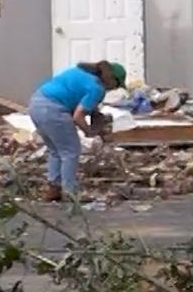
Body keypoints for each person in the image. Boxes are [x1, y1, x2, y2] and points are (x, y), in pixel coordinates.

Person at [27, 59, 126, 202]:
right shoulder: (97, 88)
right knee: (70, 151)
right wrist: (88, 131)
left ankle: (54, 188)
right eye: (116, 85)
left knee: (56, 150)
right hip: (54, 109)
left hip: (36, 104)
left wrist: (95, 114)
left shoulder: (79, 72)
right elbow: (78, 116)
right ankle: (71, 193)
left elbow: (73, 96)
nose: (114, 89)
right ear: (112, 79)